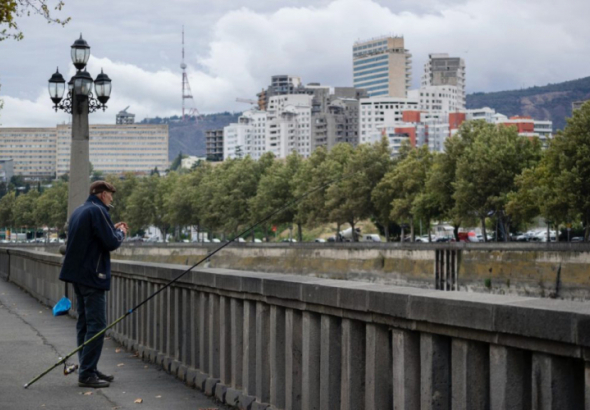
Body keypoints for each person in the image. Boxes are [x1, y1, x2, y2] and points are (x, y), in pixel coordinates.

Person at [59, 180, 128, 388]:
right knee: (97, 325)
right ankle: (87, 373)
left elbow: (93, 237)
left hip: (78, 276)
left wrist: (111, 229)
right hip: (93, 276)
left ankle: (88, 366)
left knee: (85, 323)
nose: (111, 199)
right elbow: (111, 242)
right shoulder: (98, 211)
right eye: (110, 194)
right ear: (102, 194)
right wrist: (121, 232)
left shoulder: (80, 211)